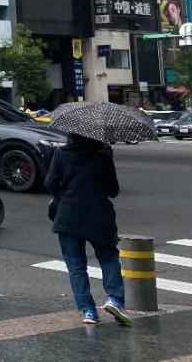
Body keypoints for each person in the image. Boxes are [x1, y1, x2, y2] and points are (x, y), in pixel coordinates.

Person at [45, 133, 132, 326]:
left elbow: (50, 182)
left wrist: (64, 194)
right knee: (108, 258)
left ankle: (89, 311)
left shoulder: (61, 154)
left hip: (68, 215)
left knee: (76, 266)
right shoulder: (102, 157)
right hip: (99, 216)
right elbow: (113, 190)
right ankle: (115, 299)